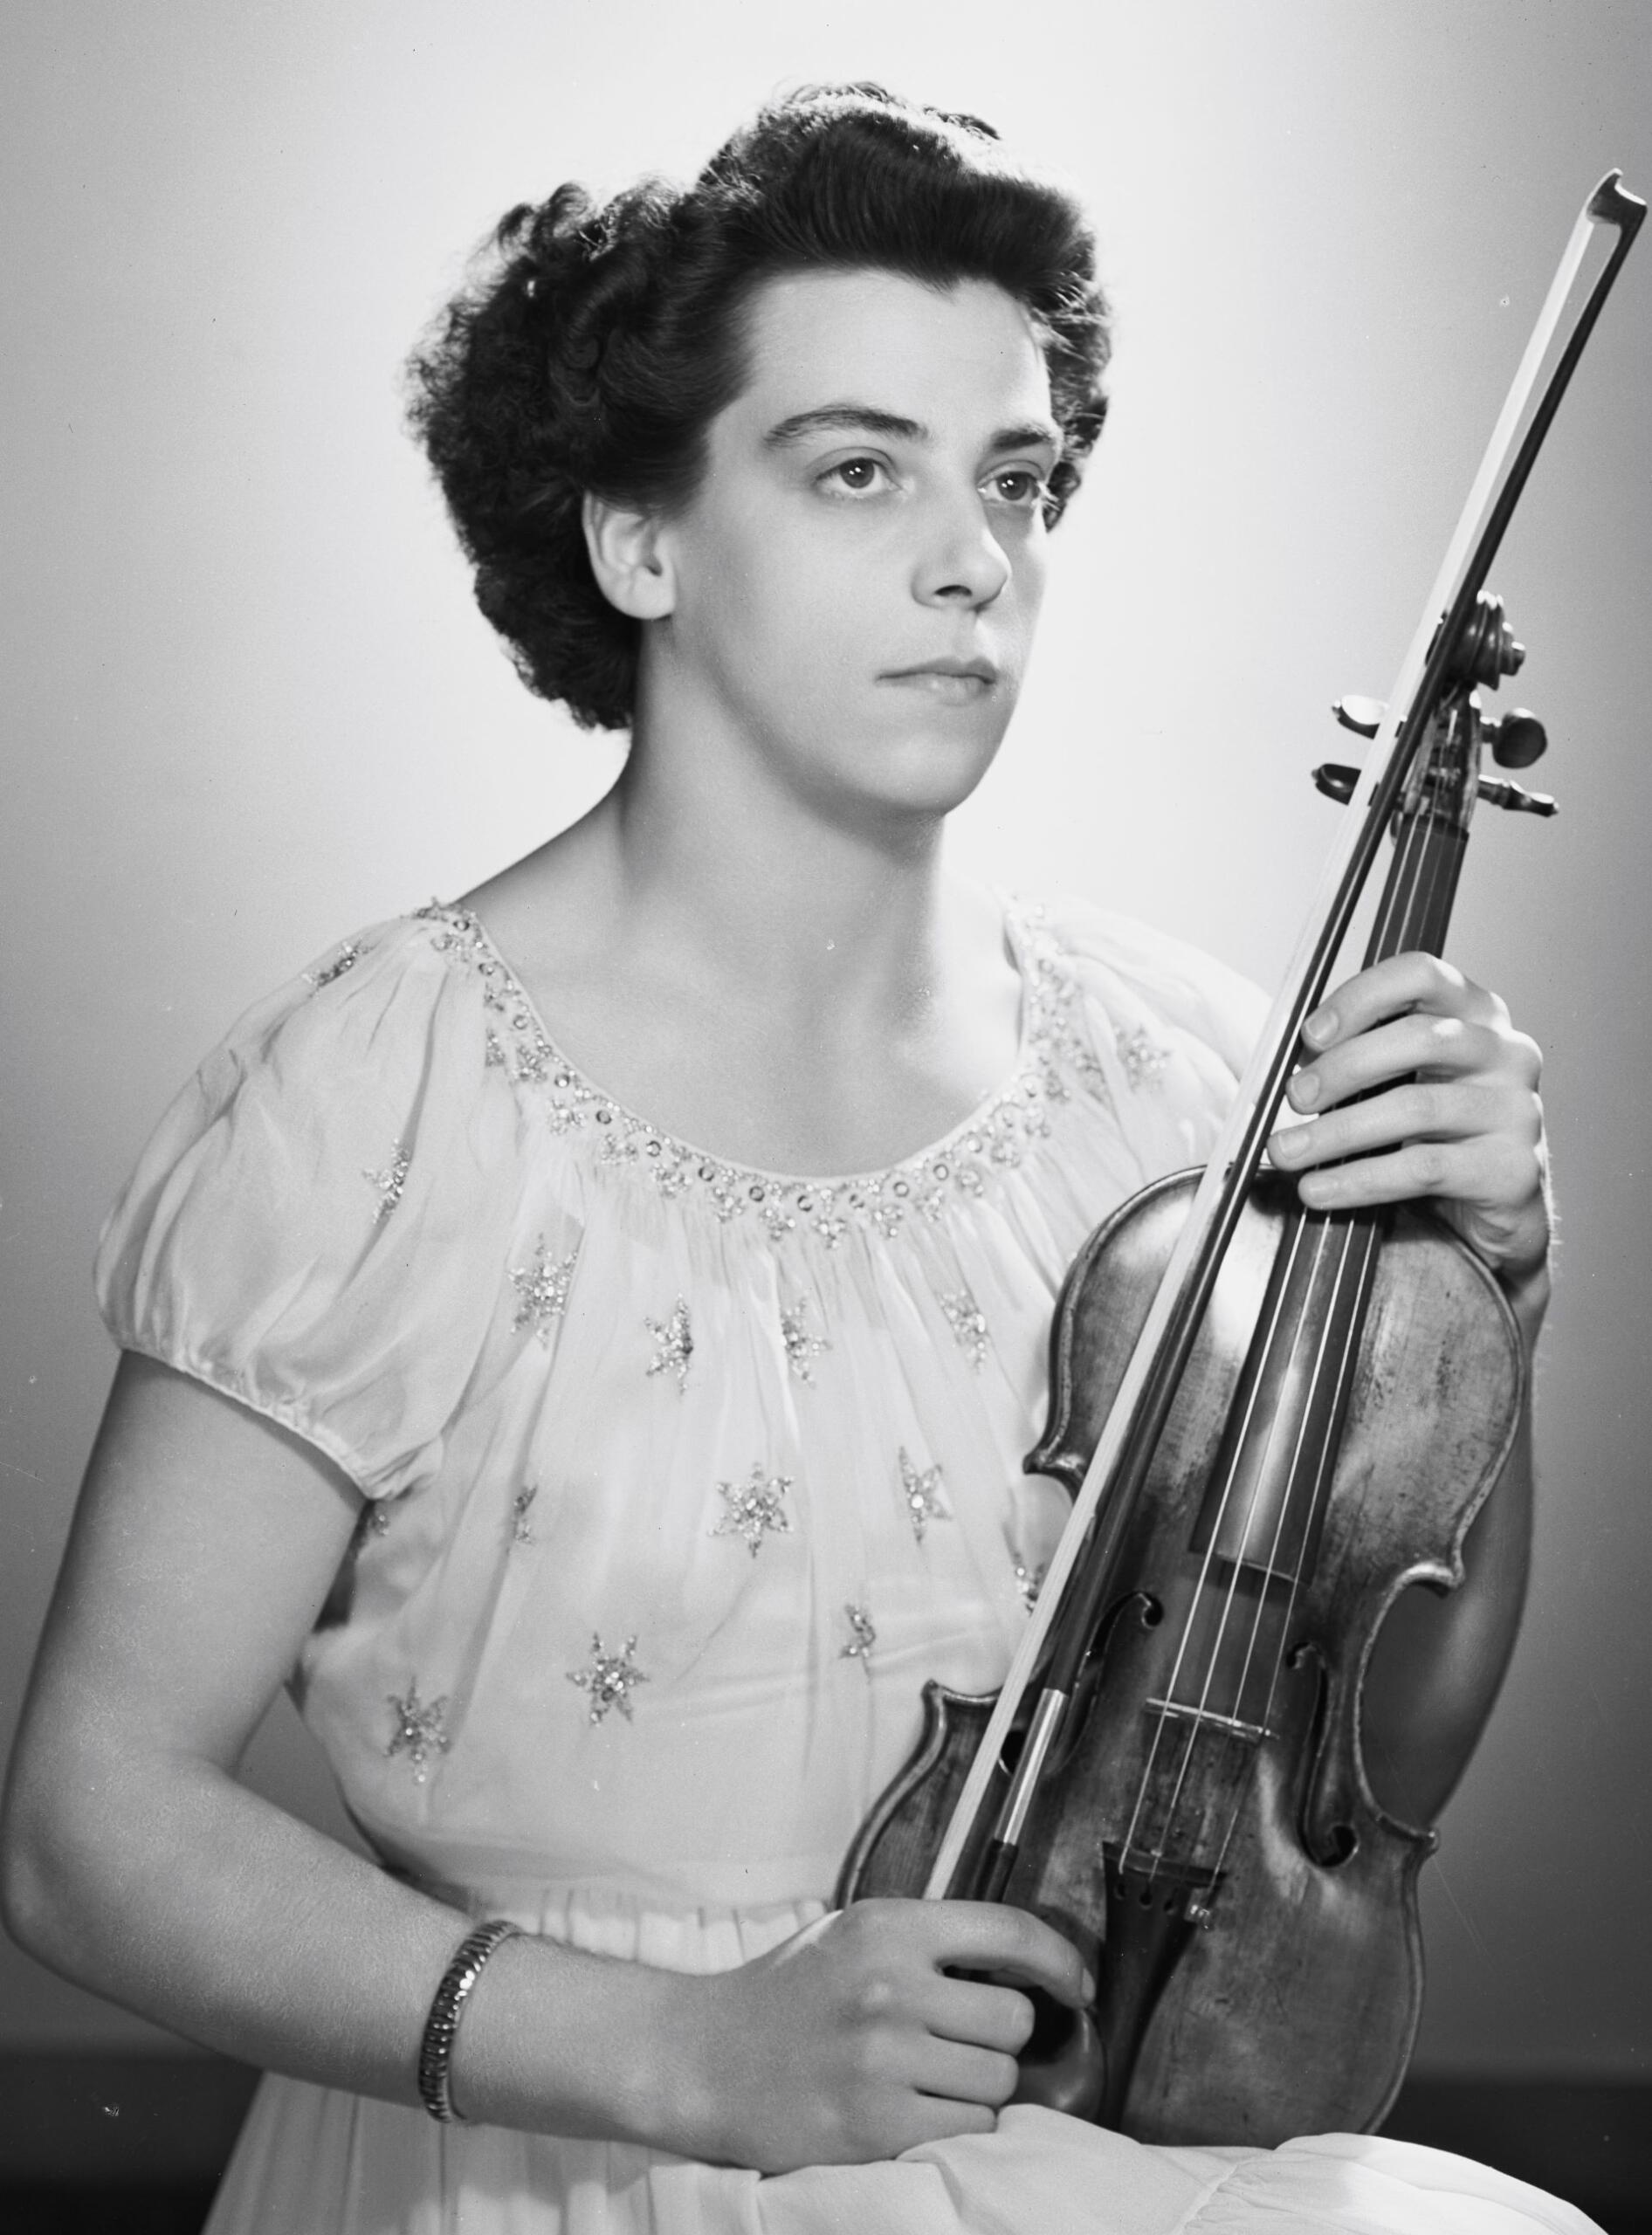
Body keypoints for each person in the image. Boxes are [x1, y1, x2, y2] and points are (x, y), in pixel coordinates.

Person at [1, 83, 1579, 2235]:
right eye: (857, 469)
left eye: (1015, 481)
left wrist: (1484, 1290)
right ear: (636, 538)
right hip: (548, 2167)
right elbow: (84, 1826)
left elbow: (1366, 1754)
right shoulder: (382, 1096)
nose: (971, 561)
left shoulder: (1196, 1076)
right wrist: (689, 2049)